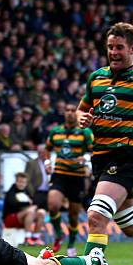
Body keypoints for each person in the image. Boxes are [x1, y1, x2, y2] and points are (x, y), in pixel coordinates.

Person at [55, 22, 133, 265]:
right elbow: (81, 110)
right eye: (110, 47)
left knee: (96, 216)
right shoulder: (96, 77)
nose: (114, 52)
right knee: (130, 228)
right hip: (100, 159)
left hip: (124, 156)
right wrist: (82, 119)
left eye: (119, 48)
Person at [45, 103, 93, 255]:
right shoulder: (55, 132)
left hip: (77, 177)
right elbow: (47, 148)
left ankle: (71, 243)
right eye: (68, 110)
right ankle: (59, 233)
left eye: (73, 110)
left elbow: (94, 151)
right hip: (59, 174)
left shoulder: (84, 132)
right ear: (64, 113)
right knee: (53, 205)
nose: (70, 113)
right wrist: (47, 162)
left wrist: (84, 158)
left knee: (73, 215)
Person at [3, 172, 46, 246]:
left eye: (24, 182)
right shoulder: (11, 192)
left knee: (41, 213)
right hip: (10, 218)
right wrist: (27, 204)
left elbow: (34, 202)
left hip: (24, 218)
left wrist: (34, 206)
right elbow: (13, 204)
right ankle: (27, 238)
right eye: (20, 182)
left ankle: (35, 238)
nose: (22, 184)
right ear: (16, 182)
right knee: (30, 212)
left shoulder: (26, 191)